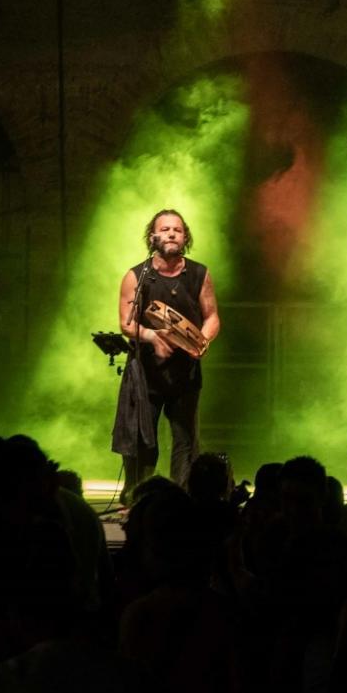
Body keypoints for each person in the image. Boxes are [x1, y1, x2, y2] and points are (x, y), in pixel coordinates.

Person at [115, 209, 221, 501]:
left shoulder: (199, 273)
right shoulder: (137, 276)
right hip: (146, 373)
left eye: (177, 229)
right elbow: (126, 322)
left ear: (185, 237)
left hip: (184, 371)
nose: (172, 233)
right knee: (142, 441)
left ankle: (182, 499)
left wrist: (202, 341)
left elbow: (212, 317)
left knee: (185, 440)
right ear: (153, 237)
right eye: (165, 229)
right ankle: (138, 498)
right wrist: (152, 336)